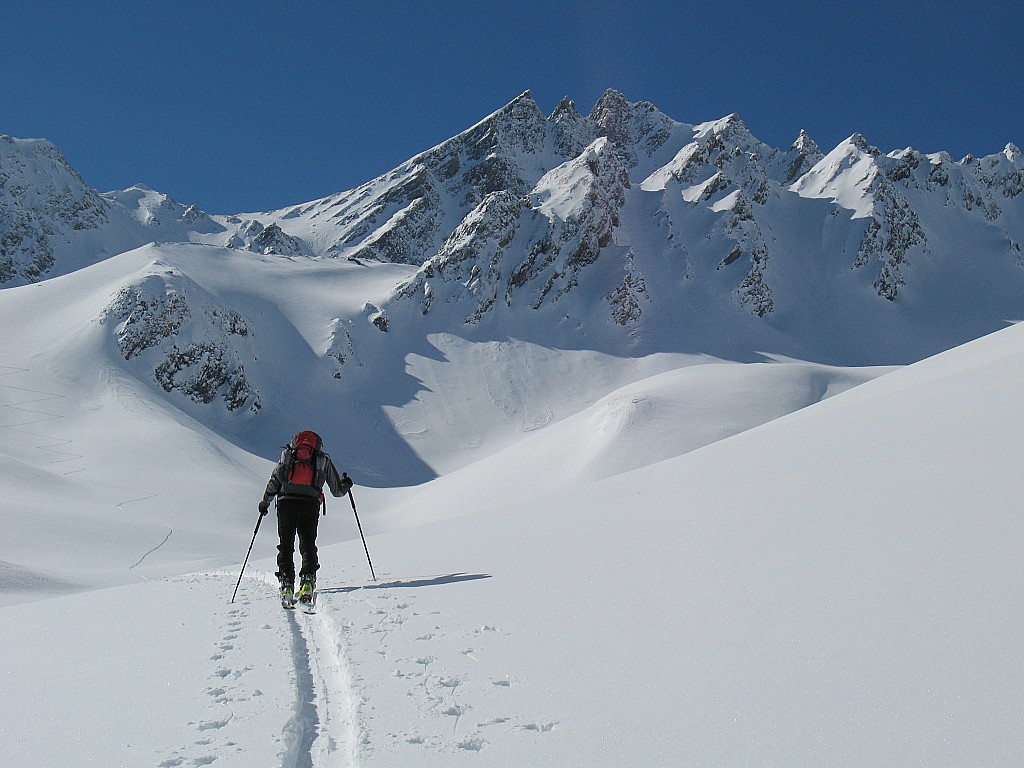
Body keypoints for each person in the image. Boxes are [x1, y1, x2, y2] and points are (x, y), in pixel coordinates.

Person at [259, 430, 352, 603]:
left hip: (286, 503)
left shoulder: (287, 456)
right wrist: (346, 484)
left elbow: (275, 480)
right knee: (307, 543)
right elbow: (337, 491)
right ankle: (307, 579)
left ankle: (286, 581)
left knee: (285, 544)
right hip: (310, 504)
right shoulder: (322, 459)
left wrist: (265, 502)